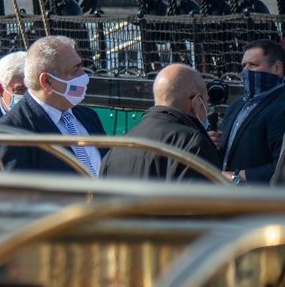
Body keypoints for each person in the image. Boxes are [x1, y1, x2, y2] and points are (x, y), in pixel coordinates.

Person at [0, 35, 106, 174]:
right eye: (75, 70)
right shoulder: (9, 135)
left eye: (81, 67)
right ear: (47, 81)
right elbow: (10, 194)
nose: (84, 76)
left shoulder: (88, 116)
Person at [99, 63, 220, 180]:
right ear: (197, 101)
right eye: (207, 102)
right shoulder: (194, 145)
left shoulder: (117, 148)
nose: (208, 108)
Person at [212, 39, 285, 185]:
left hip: (259, 201)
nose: (246, 71)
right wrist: (212, 142)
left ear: (277, 68)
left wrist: (237, 177)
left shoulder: (281, 105)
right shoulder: (238, 104)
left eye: (253, 65)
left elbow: (279, 168)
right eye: (244, 65)